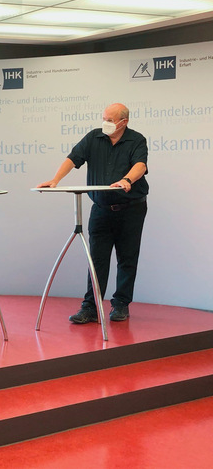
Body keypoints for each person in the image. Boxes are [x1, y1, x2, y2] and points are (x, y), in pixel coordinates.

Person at [37, 103, 149, 323]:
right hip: (101, 210)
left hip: (131, 209)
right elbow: (73, 158)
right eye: (104, 118)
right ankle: (90, 307)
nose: (105, 123)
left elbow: (140, 166)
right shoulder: (93, 138)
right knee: (96, 259)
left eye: (110, 119)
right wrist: (55, 179)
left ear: (123, 122)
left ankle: (121, 305)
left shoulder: (137, 140)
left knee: (127, 258)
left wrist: (127, 180)